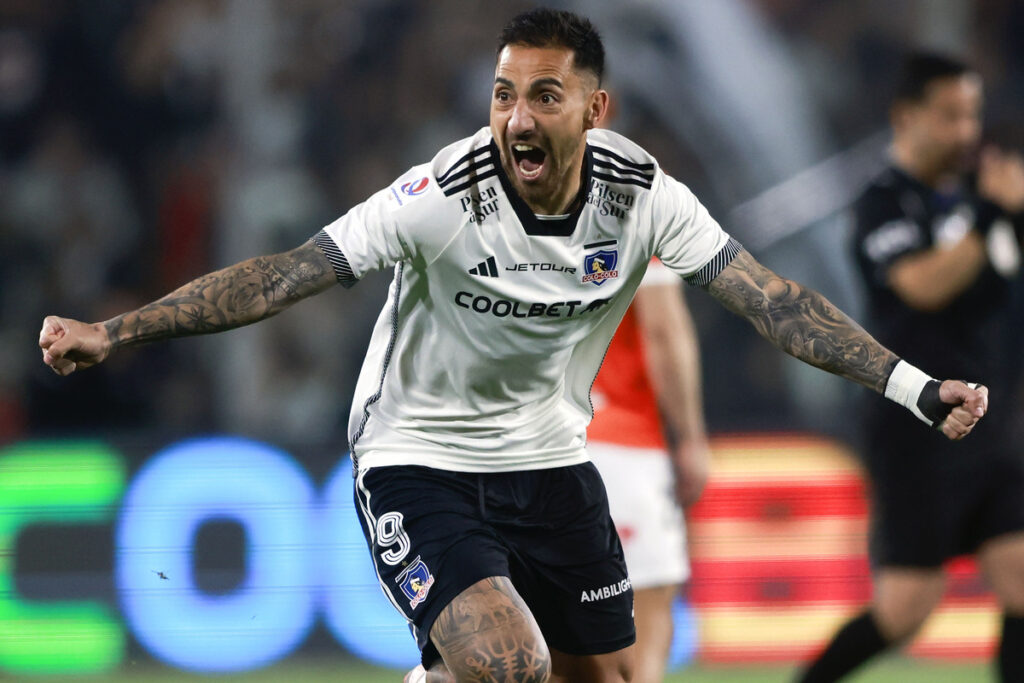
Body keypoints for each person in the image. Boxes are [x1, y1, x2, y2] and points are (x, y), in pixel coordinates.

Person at [39, 11, 988, 683]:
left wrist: (914, 386)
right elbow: (286, 273)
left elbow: (774, 303)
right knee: (507, 662)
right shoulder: (442, 196)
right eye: (502, 95)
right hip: (419, 460)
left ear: (595, 109)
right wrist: (115, 330)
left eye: (543, 95)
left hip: (550, 462)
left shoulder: (643, 195)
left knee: (604, 677)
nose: (516, 119)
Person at [796, 52, 1024, 683]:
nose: (966, 131)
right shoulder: (883, 204)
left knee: (1023, 580)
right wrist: (991, 216)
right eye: (950, 116)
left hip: (994, 427)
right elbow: (923, 286)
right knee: (906, 609)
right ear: (906, 117)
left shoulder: (973, 199)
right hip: (919, 434)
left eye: (972, 114)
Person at [587, 257, 709, 683]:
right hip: (621, 446)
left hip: (536, 449)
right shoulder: (631, 223)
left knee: (552, 639)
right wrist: (690, 437)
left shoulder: (511, 227)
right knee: (643, 632)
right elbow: (663, 331)